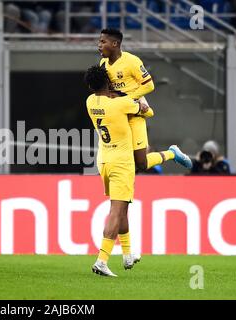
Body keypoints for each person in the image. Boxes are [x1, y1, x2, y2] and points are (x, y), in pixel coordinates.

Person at [85, 65, 151, 277]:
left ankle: (127, 253)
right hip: (122, 162)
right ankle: (102, 260)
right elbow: (147, 111)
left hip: (103, 161)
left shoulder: (90, 102)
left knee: (121, 209)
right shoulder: (121, 104)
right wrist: (140, 100)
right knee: (116, 210)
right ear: (108, 81)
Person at [98, 28, 192, 173]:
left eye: (103, 42)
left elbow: (149, 85)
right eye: (99, 41)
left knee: (141, 163)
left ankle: (172, 153)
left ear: (115, 44)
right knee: (122, 156)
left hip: (136, 114)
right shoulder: (103, 64)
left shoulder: (132, 61)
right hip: (119, 116)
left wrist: (128, 100)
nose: (99, 45)